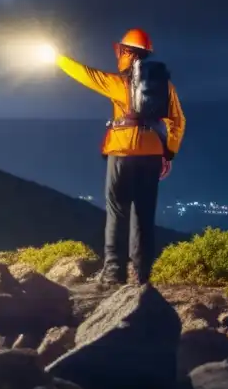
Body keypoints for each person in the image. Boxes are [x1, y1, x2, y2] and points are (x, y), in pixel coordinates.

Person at [55, 28, 185, 287]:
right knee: (144, 215)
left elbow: (86, 75)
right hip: (151, 153)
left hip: (122, 152)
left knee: (117, 211)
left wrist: (58, 58)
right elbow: (178, 121)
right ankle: (143, 275)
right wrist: (167, 153)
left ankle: (114, 273)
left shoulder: (119, 83)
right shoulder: (165, 87)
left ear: (126, 53)